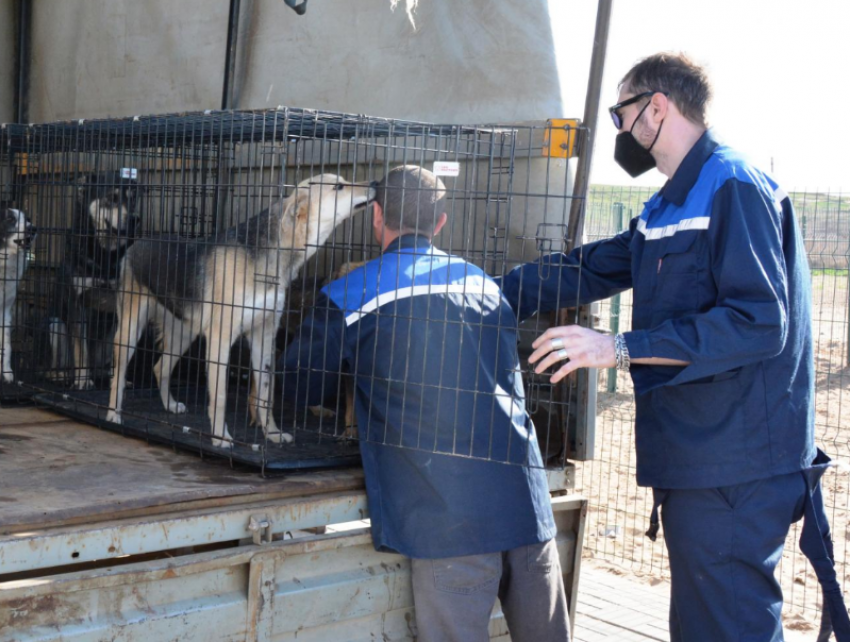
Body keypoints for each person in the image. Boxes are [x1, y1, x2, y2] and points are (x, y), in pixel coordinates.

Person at [497, 52, 850, 642]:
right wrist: (487, 292)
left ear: (656, 108)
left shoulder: (734, 186)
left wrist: (620, 347)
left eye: (622, 114)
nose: (621, 131)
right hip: (696, 462)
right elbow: (592, 267)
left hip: (736, 464)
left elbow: (760, 323)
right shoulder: (667, 204)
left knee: (729, 625)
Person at [280, 165, 571, 642]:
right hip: (525, 503)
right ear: (441, 223)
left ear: (375, 217)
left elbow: (297, 387)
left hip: (448, 523)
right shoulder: (485, 285)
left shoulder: (350, 294)